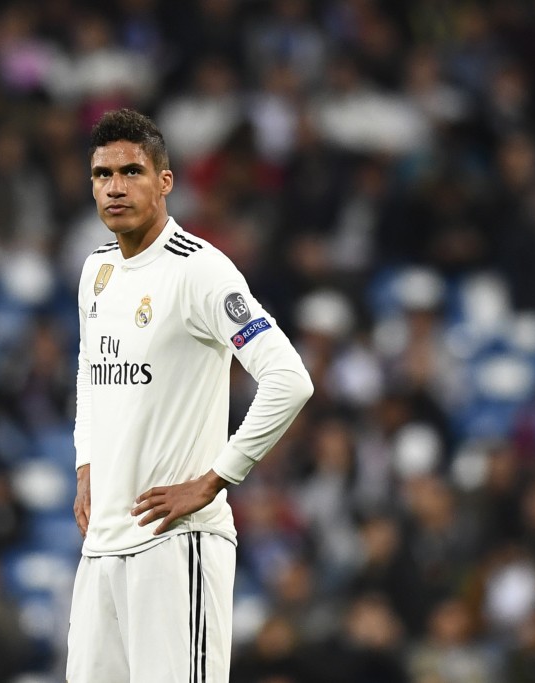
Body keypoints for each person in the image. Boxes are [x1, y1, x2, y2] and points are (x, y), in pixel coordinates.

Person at [68, 108, 313, 682]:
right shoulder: (96, 271)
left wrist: (214, 479)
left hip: (175, 547)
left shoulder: (200, 271)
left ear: (165, 181)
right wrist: (85, 461)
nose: (116, 187)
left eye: (132, 172)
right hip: (102, 545)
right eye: (103, 175)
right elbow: (90, 370)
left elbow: (289, 378)